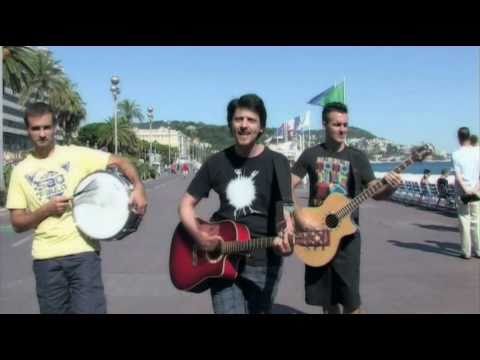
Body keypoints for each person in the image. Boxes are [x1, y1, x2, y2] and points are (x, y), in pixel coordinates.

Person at [6, 102, 148, 314]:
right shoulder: (20, 171)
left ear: (55, 128)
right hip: (46, 260)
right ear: (28, 130)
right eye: (36, 128)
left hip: (83, 254)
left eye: (46, 127)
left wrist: (138, 188)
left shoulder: (76, 154)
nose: (42, 134)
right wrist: (46, 210)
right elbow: (17, 223)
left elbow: (120, 162)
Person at [178, 94, 294, 314]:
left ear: (261, 127)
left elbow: (287, 206)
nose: (244, 125)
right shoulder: (216, 162)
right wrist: (198, 236)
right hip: (223, 259)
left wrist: (288, 230)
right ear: (231, 124)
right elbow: (185, 205)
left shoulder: (277, 162)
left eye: (251, 120)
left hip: (264, 260)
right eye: (238, 119)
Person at [290, 102, 403, 314]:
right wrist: (299, 220)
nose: (342, 129)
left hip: (347, 235)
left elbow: (376, 193)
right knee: (327, 300)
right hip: (316, 232)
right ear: (324, 124)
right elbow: (287, 186)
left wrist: (390, 188)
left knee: (352, 302)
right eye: (337, 124)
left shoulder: (357, 157)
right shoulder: (310, 154)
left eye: (345, 124)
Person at [452, 127, 480, 259]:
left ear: (459, 138)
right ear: (469, 137)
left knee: (464, 220)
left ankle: (466, 251)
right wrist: (475, 189)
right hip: (476, 191)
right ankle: (479, 250)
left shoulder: (456, 154)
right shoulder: (478, 152)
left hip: (462, 191)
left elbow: (458, 176)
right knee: (476, 221)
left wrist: (466, 189)